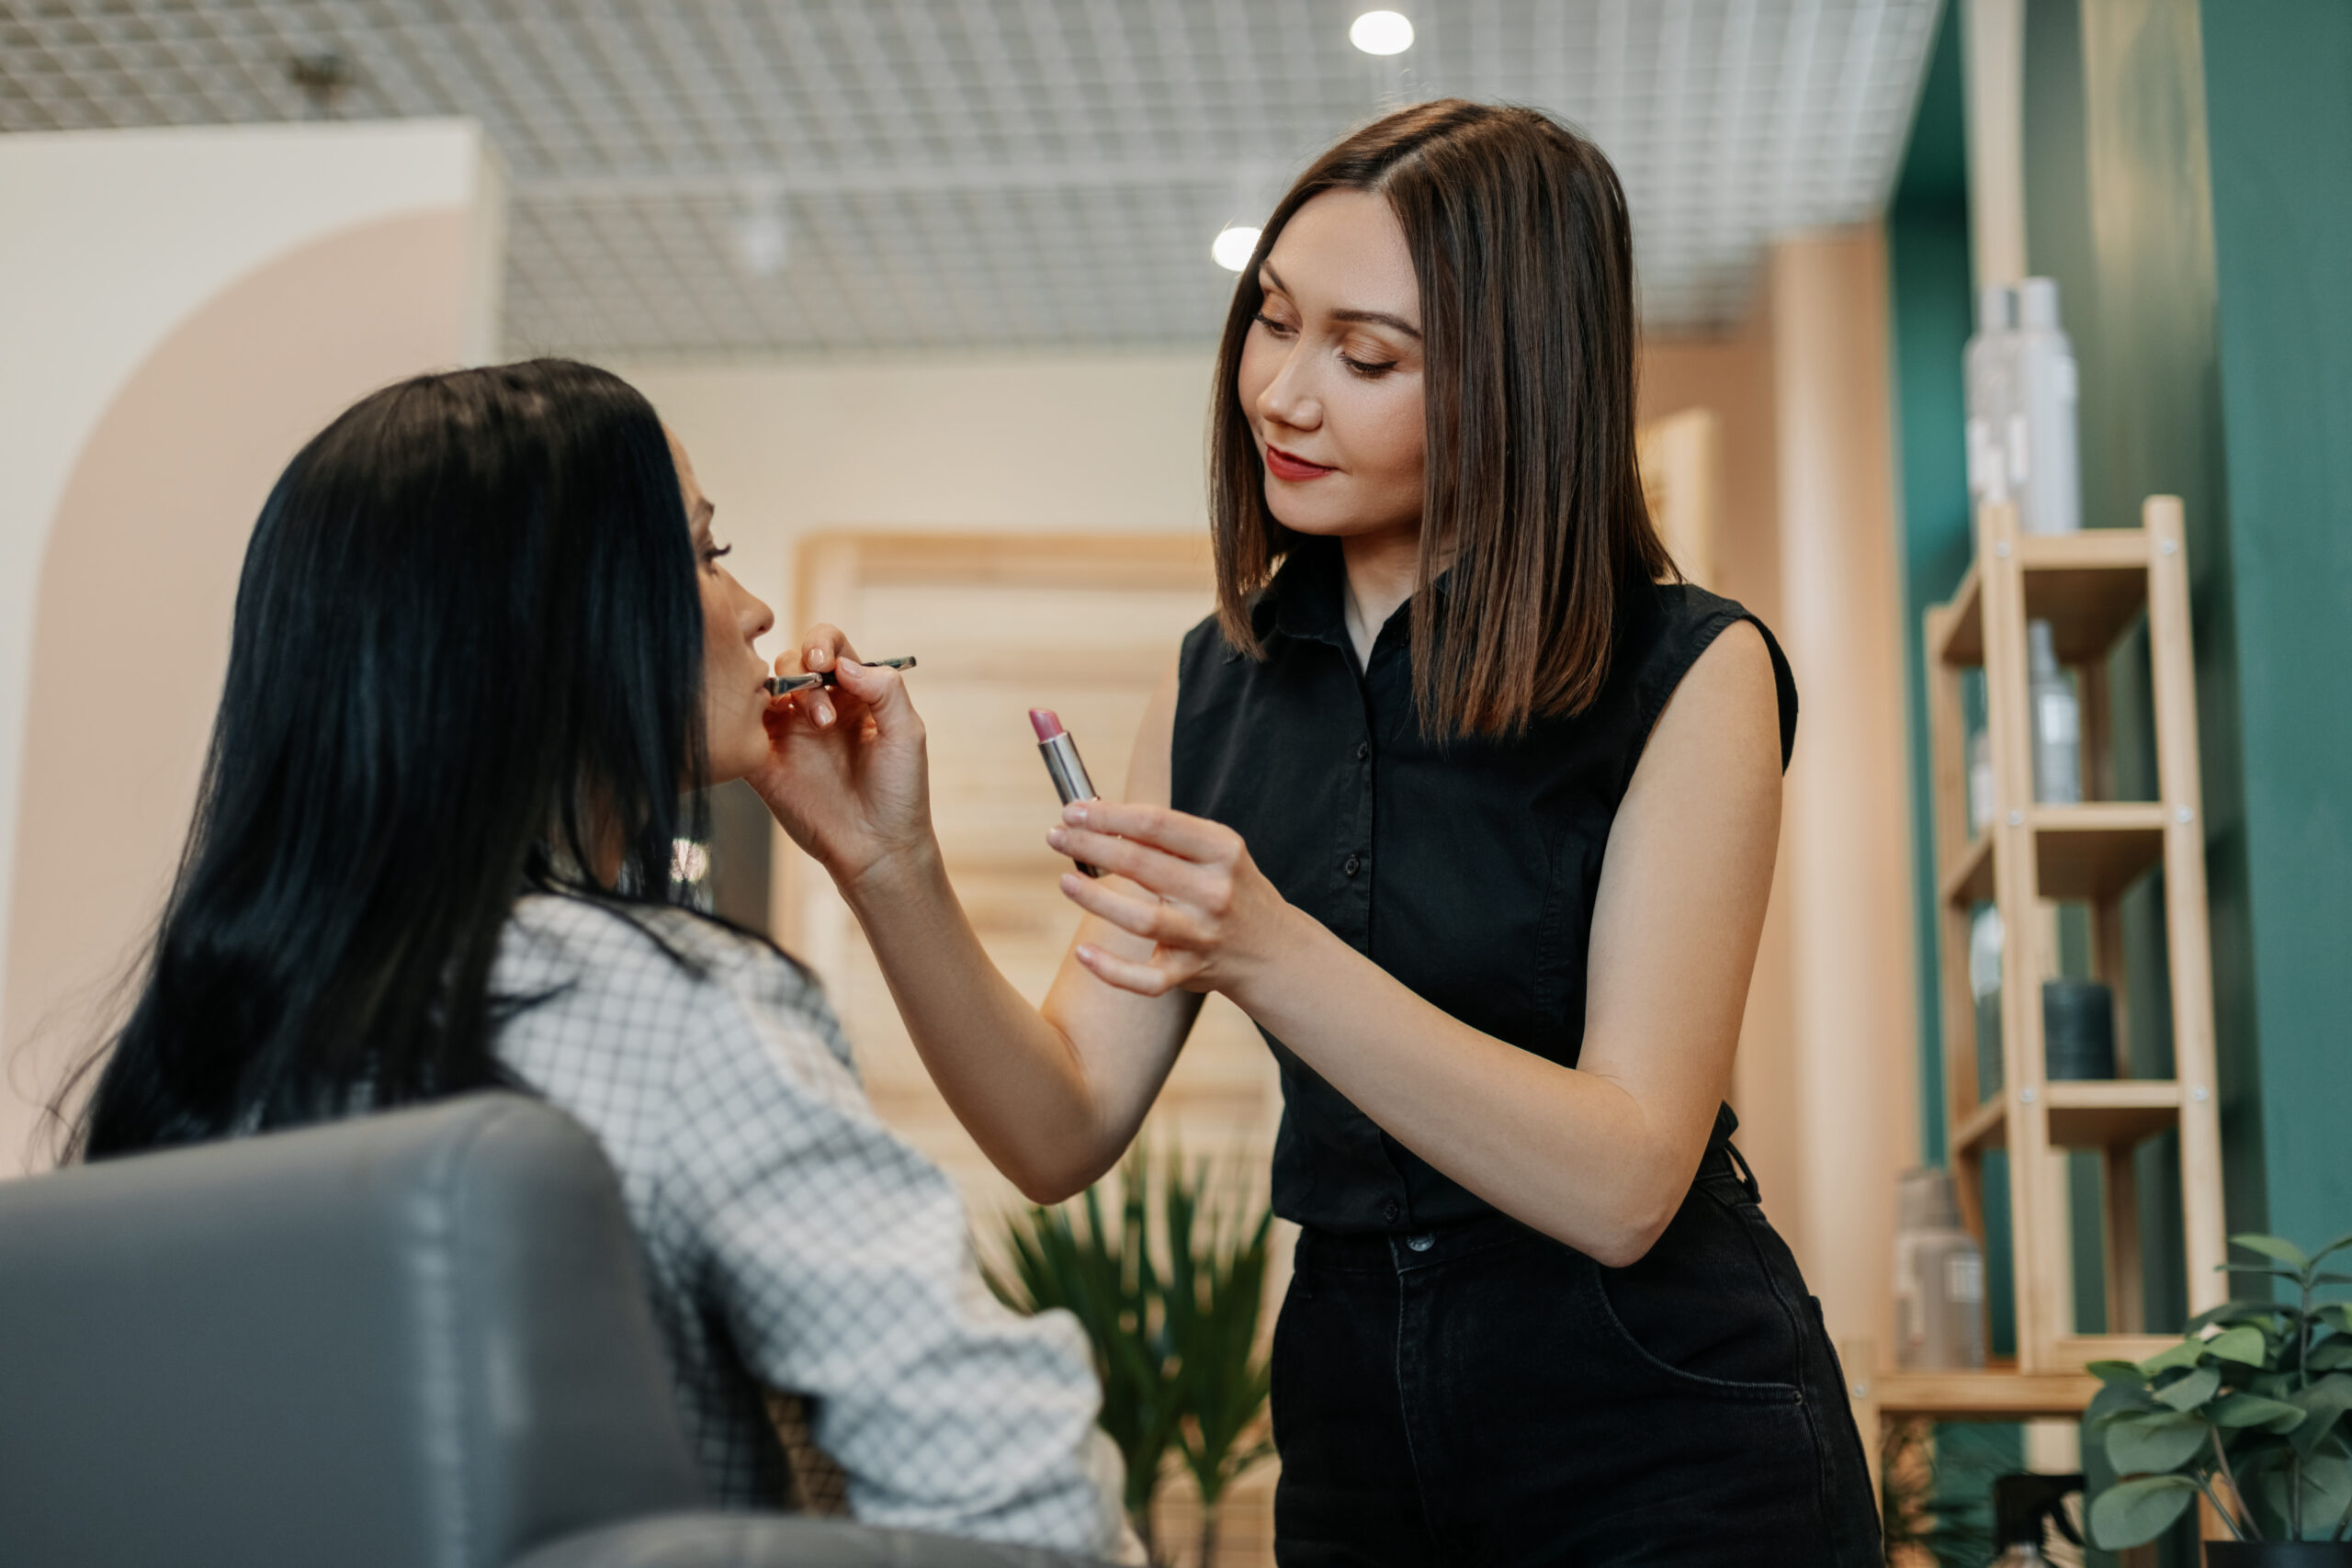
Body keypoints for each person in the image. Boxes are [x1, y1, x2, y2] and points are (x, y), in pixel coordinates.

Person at [759, 101, 1882, 1564]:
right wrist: (887, 864)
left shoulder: (1689, 669)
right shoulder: (1220, 681)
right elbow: (1057, 1126)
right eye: (1272, 323)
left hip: (1659, 1420)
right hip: (1355, 1413)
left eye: (1365, 358)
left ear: (1519, 379)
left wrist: (1271, 952)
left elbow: (1621, 1185)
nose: (1283, 394)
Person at [64, 360, 1129, 1554]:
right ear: (567, 627)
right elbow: (1030, 1507)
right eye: (706, 552)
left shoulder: (198, 1042)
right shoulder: (671, 1005)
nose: (755, 611)